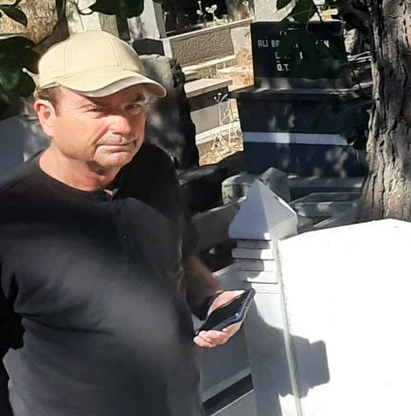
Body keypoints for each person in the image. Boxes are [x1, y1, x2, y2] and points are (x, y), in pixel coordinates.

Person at [0, 31, 244, 416]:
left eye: (134, 106)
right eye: (97, 109)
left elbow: (178, 257)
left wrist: (211, 297)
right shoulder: (12, 219)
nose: (123, 126)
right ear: (46, 115)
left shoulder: (154, 170)